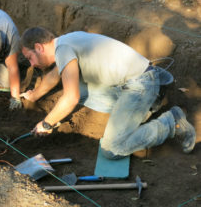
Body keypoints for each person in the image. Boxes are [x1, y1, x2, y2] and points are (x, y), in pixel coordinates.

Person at [20, 27, 196, 159]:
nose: (31, 64)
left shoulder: (63, 50)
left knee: (112, 149)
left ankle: (171, 122)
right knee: (80, 89)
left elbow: (71, 98)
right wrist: (33, 95)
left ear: (39, 47)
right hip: (137, 81)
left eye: (30, 57)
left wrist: (46, 123)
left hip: (140, 85)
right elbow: (54, 76)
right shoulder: (65, 42)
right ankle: (144, 110)